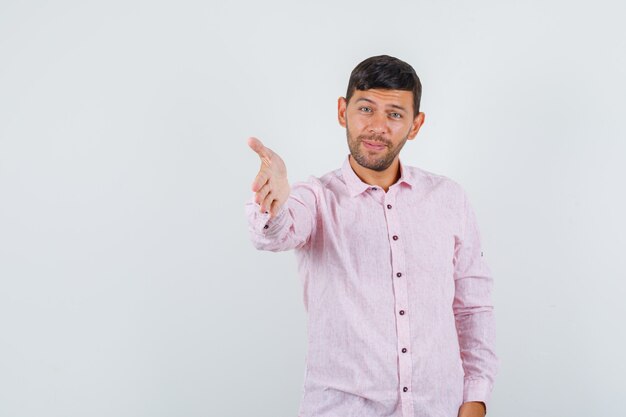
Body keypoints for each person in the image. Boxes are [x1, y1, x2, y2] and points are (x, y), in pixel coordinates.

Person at [244, 55, 498, 417]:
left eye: (394, 114)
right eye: (366, 109)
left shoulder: (448, 199)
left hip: (439, 408)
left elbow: (473, 307)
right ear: (342, 111)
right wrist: (272, 204)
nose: (378, 126)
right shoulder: (315, 198)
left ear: (415, 124)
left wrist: (475, 398)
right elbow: (275, 233)